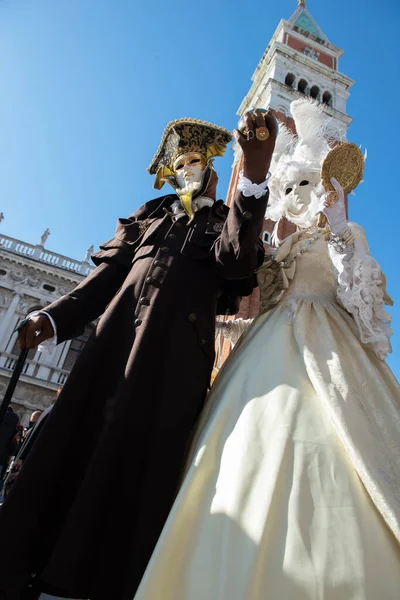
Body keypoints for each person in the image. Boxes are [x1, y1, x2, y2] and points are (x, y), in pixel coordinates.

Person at [0, 111, 277, 600]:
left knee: (135, 466)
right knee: (74, 446)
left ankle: (102, 583)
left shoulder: (223, 223)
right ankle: (32, 565)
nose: (189, 172)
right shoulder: (148, 217)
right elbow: (101, 283)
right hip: (108, 356)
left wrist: (253, 176)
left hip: (168, 371)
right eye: (180, 165)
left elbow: (237, 262)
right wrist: (54, 318)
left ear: (214, 173)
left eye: (198, 164)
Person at [133, 99, 400, 600]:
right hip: (266, 346)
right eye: (288, 186)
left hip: (331, 348)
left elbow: (366, 307)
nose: (298, 195)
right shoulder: (273, 243)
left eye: (307, 184)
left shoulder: (344, 236)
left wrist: (341, 231)